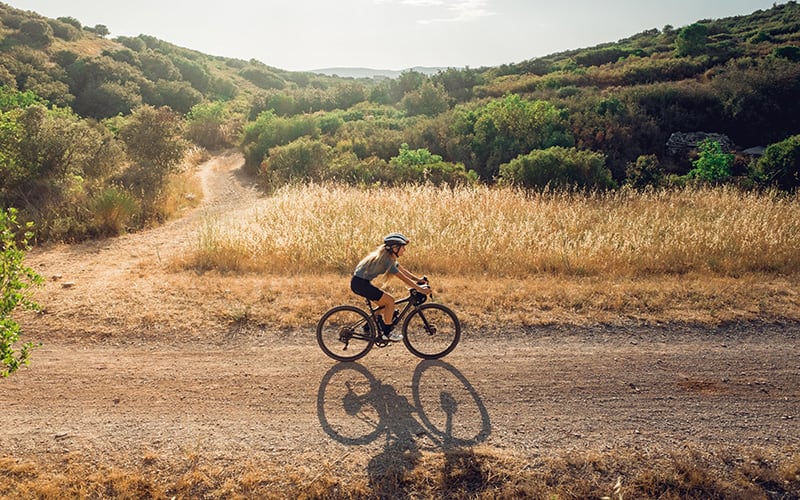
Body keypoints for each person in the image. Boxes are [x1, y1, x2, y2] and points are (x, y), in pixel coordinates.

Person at [350, 232, 431, 341]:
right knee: (390, 301)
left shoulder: (389, 258)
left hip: (360, 283)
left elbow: (404, 271)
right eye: (403, 247)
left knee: (385, 306)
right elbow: (403, 278)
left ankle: (366, 327)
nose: (405, 250)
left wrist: (418, 280)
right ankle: (387, 334)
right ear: (395, 248)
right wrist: (420, 289)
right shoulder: (386, 261)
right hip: (360, 284)